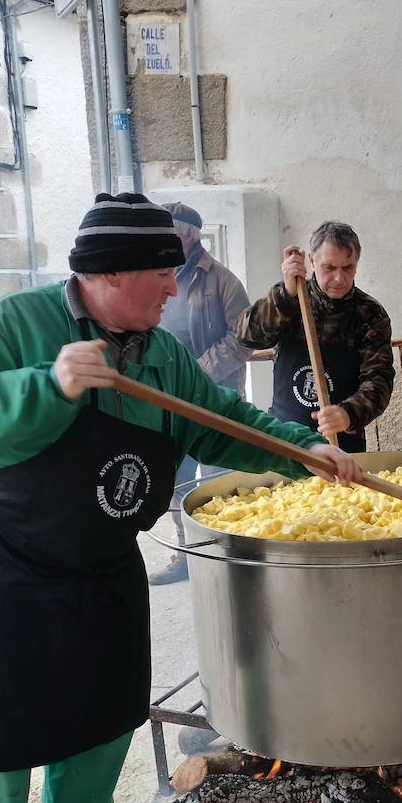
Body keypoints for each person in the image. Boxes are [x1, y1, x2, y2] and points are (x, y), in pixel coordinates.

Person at [0, 192, 361, 803]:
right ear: (110, 274)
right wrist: (47, 383)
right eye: (162, 275)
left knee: (101, 713)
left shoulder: (156, 350)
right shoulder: (17, 324)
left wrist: (301, 448)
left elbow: (218, 417)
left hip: (102, 557)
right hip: (11, 561)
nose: (173, 289)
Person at [149, 202, 251, 586]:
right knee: (176, 481)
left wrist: (194, 373)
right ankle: (186, 556)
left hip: (214, 398)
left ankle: (225, 558)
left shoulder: (223, 281)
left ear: (189, 236)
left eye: (170, 233)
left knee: (219, 481)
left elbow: (243, 339)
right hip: (168, 401)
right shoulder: (157, 275)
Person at [237, 221, 394, 452]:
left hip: (341, 444)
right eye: (329, 268)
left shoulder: (369, 314)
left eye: (347, 268)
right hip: (285, 438)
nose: (339, 278)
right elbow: (247, 335)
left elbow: (379, 379)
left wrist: (348, 414)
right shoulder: (291, 298)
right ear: (312, 262)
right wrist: (286, 296)